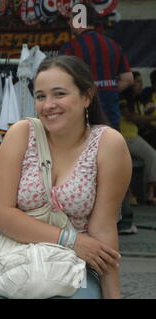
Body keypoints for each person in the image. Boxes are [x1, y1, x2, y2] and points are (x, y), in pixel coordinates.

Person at [0, 55, 131, 299]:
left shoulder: (107, 143)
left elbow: (103, 227)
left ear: (87, 96)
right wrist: (71, 239)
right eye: (40, 96)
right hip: (12, 260)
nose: (48, 105)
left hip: (74, 266)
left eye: (59, 94)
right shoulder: (21, 133)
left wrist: (113, 294)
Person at [59, 3, 136, 235]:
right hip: (110, 116)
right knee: (113, 166)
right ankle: (123, 220)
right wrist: (108, 89)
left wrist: (90, 93)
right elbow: (128, 78)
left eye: (70, 18)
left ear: (78, 20)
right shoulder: (112, 45)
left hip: (81, 120)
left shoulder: (71, 48)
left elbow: (61, 82)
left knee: (82, 167)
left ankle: (89, 219)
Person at [119, 71, 156, 206]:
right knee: (152, 156)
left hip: (134, 136)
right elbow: (131, 117)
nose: (141, 85)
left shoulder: (139, 99)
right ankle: (149, 194)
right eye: (138, 82)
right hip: (127, 137)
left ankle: (141, 194)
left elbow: (141, 119)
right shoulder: (122, 99)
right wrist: (151, 118)